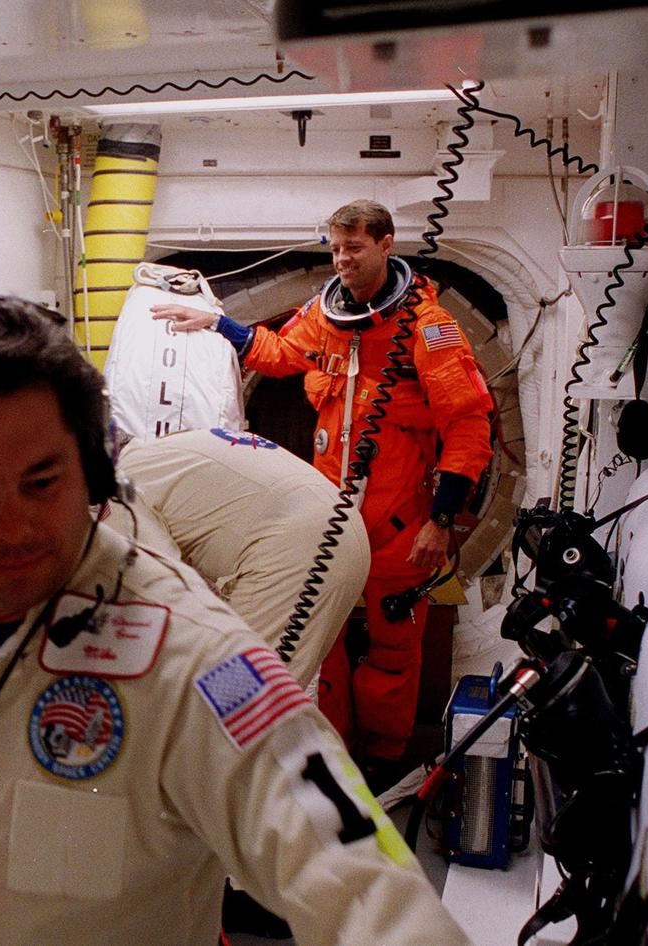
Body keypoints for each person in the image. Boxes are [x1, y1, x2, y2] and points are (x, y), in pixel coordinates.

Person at [0, 292, 472, 946]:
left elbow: (356, 867)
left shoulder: (196, 656)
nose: (13, 525)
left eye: (42, 482)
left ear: (94, 471)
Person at [152, 199, 494, 785]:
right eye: (335, 249)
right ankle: (330, 752)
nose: (342, 261)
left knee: (392, 647)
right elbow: (282, 355)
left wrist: (440, 522)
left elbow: (468, 426)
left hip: (397, 524)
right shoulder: (326, 312)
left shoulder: (430, 328)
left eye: (353, 249)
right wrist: (220, 325)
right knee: (320, 638)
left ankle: (385, 756)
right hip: (328, 514)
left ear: (387, 245)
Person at [107, 426, 370, 689]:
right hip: (342, 530)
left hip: (296, 549)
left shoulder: (119, 483)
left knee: (233, 699)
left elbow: (164, 590)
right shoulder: (171, 447)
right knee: (274, 696)